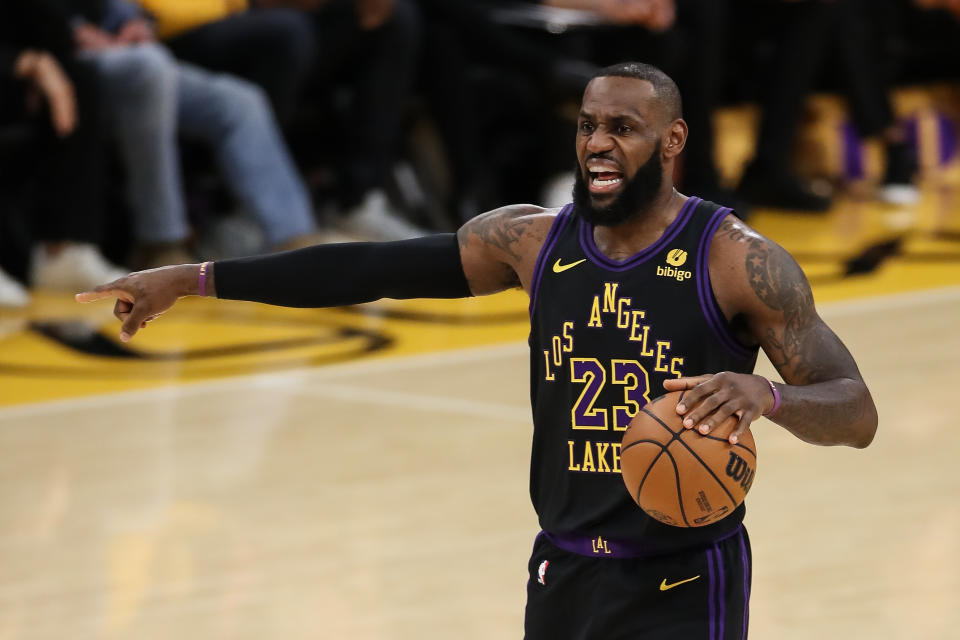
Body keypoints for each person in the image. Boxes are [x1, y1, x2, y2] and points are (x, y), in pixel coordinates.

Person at [76, 62, 879, 637]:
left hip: (681, 575)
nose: (599, 144)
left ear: (671, 141)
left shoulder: (736, 260)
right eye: (588, 125)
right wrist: (196, 277)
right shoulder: (530, 242)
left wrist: (767, 397)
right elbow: (369, 268)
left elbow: (857, 411)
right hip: (562, 569)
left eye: (623, 129)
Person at [72, 0, 324, 268]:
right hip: (68, 50)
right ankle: (160, 243)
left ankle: (294, 239)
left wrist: (135, 23)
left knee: (239, 101)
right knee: (150, 69)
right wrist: (72, 31)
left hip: (125, 46)